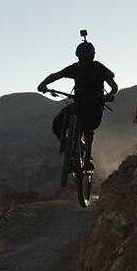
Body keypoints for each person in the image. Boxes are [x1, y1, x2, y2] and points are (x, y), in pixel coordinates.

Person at [38, 33, 118, 169]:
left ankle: (87, 159)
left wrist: (110, 94)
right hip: (80, 104)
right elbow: (56, 75)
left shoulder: (97, 68)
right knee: (58, 124)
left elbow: (114, 87)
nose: (84, 60)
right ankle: (71, 150)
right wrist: (44, 83)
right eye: (82, 57)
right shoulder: (78, 68)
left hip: (95, 105)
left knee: (87, 129)